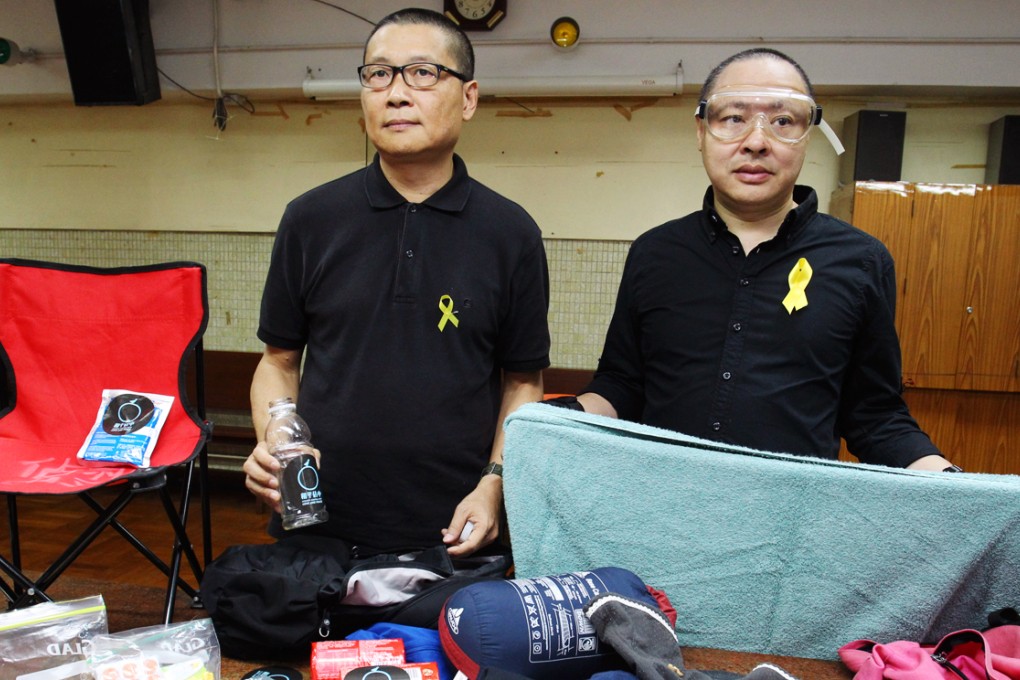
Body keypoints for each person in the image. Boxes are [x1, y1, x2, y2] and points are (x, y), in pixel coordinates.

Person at [243, 8, 550, 557]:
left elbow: (522, 383)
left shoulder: (511, 232)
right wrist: (275, 440)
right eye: (379, 74)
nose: (397, 93)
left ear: (469, 97)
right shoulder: (311, 219)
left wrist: (494, 484)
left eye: (423, 73)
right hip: (317, 525)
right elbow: (278, 362)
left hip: (453, 533)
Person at [565, 48, 956, 471]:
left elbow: (875, 415)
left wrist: (953, 483)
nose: (755, 141)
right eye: (733, 118)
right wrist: (553, 417)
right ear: (701, 131)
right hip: (664, 511)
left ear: (807, 134)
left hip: (793, 523)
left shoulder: (861, 261)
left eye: (783, 121)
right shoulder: (654, 253)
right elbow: (621, 386)